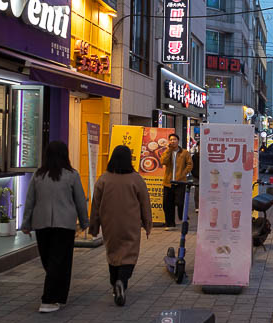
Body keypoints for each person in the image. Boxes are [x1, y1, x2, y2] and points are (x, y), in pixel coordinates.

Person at [21, 141, 88, 313]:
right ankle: (51, 298)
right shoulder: (72, 175)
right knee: (59, 261)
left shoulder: (38, 175)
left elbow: (29, 201)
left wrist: (26, 223)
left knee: (50, 260)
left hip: (42, 224)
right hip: (65, 225)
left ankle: (52, 297)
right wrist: (85, 221)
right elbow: (80, 201)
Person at [89, 145, 152, 307]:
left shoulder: (103, 179)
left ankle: (114, 283)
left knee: (113, 252)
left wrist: (94, 225)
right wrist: (147, 223)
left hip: (109, 222)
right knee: (129, 254)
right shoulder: (136, 179)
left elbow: (95, 204)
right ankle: (122, 282)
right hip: (130, 223)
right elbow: (145, 203)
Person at [160, 133, 192, 230]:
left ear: (178, 141)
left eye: (174, 139)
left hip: (180, 182)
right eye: (171, 140)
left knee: (180, 202)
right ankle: (170, 224)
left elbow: (189, 164)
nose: (172, 141)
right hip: (168, 182)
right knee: (167, 204)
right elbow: (163, 162)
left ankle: (182, 216)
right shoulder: (167, 152)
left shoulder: (185, 153)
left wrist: (183, 173)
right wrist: (169, 150)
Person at [191, 145, 200, 212]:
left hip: (206, 176)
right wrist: (195, 174)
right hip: (196, 176)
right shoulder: (194, 156)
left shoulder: (208, 155)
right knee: (197, 191)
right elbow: (192, 166)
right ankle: (197, 206)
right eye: (199, 145)